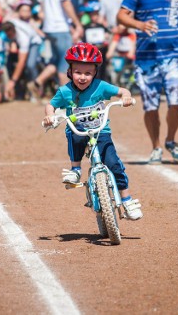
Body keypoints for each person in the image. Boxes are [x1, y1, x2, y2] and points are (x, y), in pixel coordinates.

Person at [42, 42, 143, 220]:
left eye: (88, 73)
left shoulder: (100, 86)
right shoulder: (65, 91)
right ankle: (75, 169)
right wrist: (50, 116)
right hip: (79, 130)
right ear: (70, 71)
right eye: (78, 72)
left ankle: (126, 200)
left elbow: (123, 90)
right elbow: (51, 105)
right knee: (74, 136)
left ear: (95, 72)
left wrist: (126, 97)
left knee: (114, 164)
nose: (82, 77)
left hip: (100, 131)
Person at [117, 0, 178, 164]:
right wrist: (139, 24)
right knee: (150, 105)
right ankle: (156, 146)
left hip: (174, 54)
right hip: (147, 57)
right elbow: (121, 16)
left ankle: (170, 139)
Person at [27, 0, 84, 99]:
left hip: (49, 26)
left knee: (57, 60)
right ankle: (68, 99)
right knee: (66, 63)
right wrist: (77, 24)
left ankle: (37, 82)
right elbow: (65, 2)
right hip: (59, 27)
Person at [2, 0, 44, 100]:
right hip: (19, 44)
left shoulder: (23, 38)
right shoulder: (10, 23)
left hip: (34, 42)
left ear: (14, 31)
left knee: (30, 65)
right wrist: (12, 43)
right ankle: (19, 93)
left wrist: (12, 81)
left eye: (10, 35)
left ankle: (35, 91)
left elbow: (22, 61)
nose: (9, 36)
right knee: (9, 63)